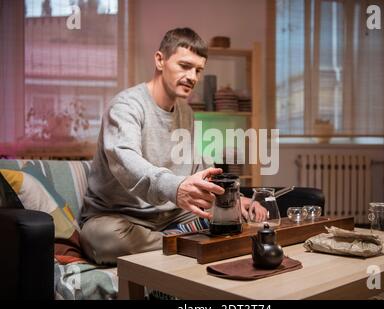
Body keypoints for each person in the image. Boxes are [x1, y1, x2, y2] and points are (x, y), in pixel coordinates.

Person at [80, 27, 254, 265]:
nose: (193, 76)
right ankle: (186, 239)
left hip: (172, 215)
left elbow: (201, 165)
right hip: (119, 218)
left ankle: (174, 241)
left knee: (236, 219)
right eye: (184, 66)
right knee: (105, 240)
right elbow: (127, 162)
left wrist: (231, 200)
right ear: (160, 60)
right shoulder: (125, 106)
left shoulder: (187, 112)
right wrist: (176, 187)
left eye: (198, 70)